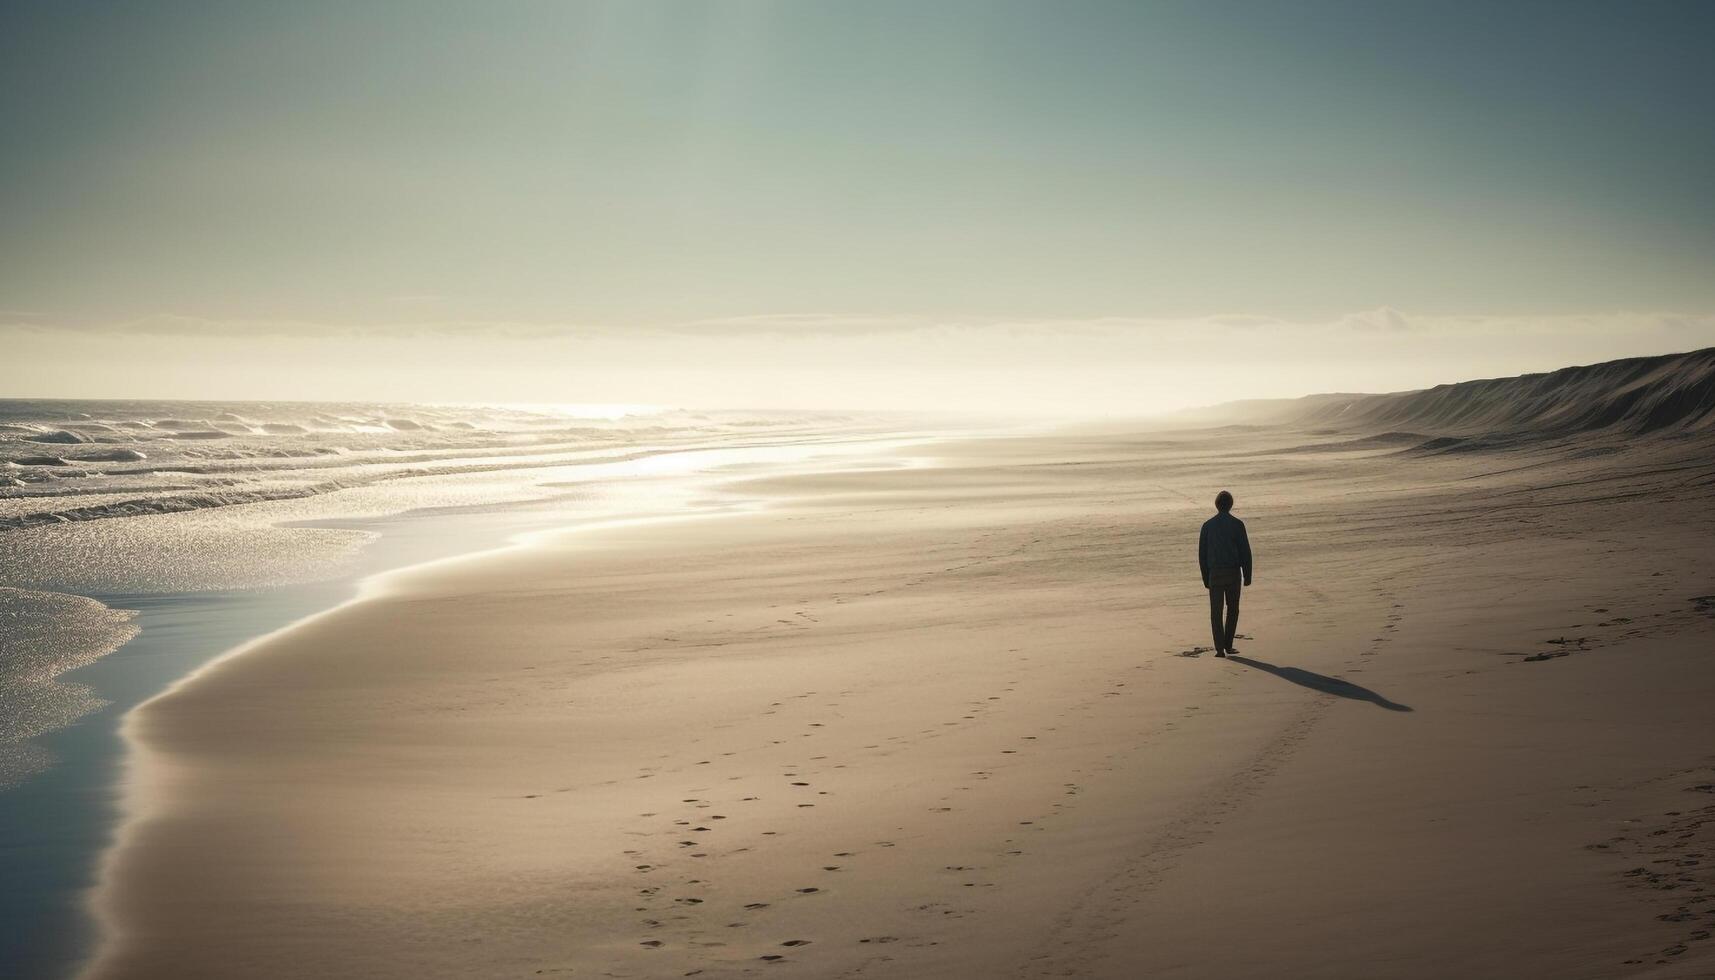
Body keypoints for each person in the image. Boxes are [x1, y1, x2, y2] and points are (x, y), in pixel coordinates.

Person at [1199, 490, 1253, 658]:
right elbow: (1245, 551)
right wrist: (1247, 574)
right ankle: (1228, 644)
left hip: (1215, 573)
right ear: (1230, 505)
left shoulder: (1208, 526)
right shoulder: (1237, 524)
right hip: (1233, 573)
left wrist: (1205, 577)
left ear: (1217, 505)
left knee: (1216, 612)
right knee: (1233, 610)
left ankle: (1220, 648)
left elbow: (1202, 555)